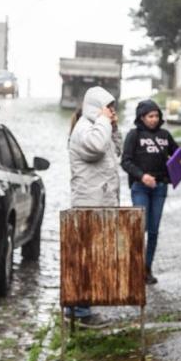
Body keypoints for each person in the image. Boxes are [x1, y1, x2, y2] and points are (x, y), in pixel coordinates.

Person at [67, 86, 121, 320]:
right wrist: (104, 122)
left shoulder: (97, 127)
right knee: (86, 259)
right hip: (89, 203)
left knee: (92, 257)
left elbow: (115, 150)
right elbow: (97, 147)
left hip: (99, 201)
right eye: (107, 108)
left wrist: (113, 127)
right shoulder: (84, 129)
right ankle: (79, 310)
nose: (110, 112)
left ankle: (80, 307)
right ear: (96, 108)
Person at [121, 99, 181, 285]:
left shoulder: (165, 135)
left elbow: (178, 153)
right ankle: (135, 267)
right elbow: (125, 162)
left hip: (160, 187)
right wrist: (142, 177)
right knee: (139, 229)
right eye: (150, 116)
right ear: (142, 117)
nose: (154, 119)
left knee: (154, 230)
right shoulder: (134, 135)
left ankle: (147, 268)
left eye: (156, 116)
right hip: (140, 187)